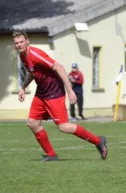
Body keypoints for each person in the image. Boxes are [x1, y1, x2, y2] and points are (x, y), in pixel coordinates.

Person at [13, 31, 108, 161]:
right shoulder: (22, 56)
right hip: (41, 94)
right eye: (16, 43)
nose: (19, 45)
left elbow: (59, 67)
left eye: (21, 42)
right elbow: (32, 72)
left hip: (54, 93)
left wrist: (70, 91)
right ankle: (51, 155)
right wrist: (23, 87)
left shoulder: (35, 54)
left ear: (27, 41)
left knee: (63, 126)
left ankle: (98, 141)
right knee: (33, 123)